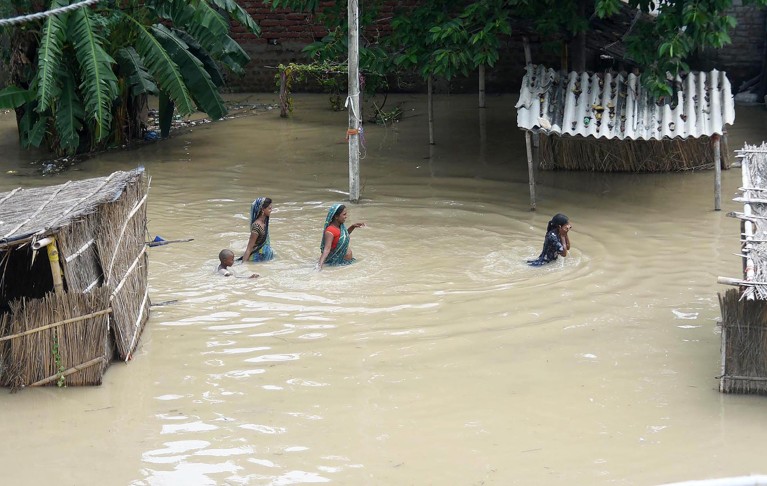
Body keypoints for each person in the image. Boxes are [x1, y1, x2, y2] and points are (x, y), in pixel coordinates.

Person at [318, 203, 365, 270]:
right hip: (338, 266)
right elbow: (326, 250)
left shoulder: (340, 227)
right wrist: (319, 266)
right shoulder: (330, 231)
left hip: (346, 263)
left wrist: (352, 227)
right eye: (344, 214)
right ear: (336, 217)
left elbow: (342, 238)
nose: (346, 216)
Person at [243, 197, 274, 262]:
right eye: (269, 208)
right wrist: (243, 265)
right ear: (263, 209)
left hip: (265, 255)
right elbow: (249, 248)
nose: (271, 210)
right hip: (257, 259)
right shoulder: (256, 226)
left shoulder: (265, 221)